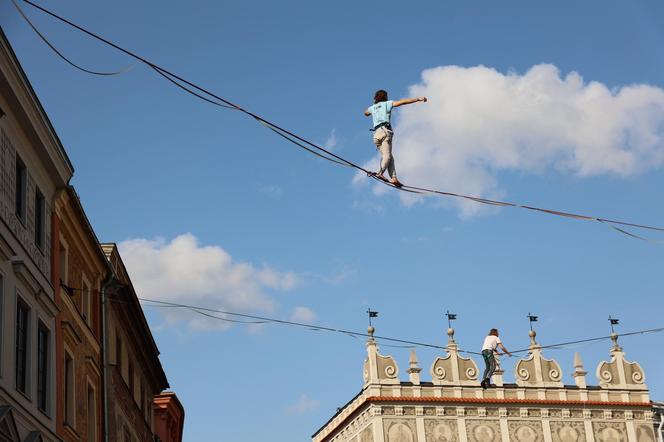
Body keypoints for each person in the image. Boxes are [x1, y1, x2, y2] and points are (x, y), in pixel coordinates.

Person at [364, 90, 427, 187]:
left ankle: (394, 178)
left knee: (389, 156)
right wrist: (417, 99)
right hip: (385, 132)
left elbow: (366, 113)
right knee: (387, 156)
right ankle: (380, 173)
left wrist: (374, 107)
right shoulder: (387, 104)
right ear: (385, 97)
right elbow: (402, 102)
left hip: (376, 135)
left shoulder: (372, 108)